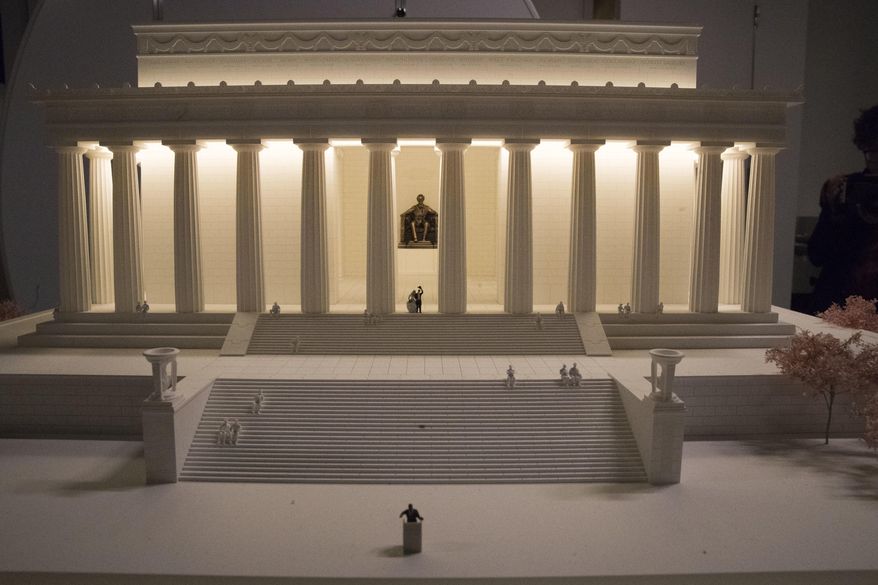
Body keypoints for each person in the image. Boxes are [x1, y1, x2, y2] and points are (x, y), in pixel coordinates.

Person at [808, 104, 878, 314]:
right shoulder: (845, 189)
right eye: (870, 151)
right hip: (841, 301)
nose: (875, 159)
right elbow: (817, 254)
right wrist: (834, 212)